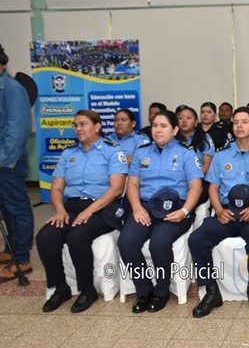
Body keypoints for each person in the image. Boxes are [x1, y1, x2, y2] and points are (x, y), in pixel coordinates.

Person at [189, 107, 249, 317]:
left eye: (244, 122)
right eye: (236, 122)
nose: (239, 126)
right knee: (196, 239)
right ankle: (211, 291)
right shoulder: (222, 155)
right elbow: (213, 187)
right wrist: (218, 210)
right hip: (226, 213)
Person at [36, 110, 128, 312]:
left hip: (102, 208)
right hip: (72, 207)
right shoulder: (69, 154)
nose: (78, 128)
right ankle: (60, 287)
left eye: (83, 124)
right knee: (45, 236)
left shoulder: (112, 151)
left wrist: (89, 211)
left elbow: (116, 188)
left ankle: (87, 290)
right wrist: (60, 210)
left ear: (97, 126)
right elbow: (56, 189)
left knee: (77, 236)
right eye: (75, 125)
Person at [118, 110, 203, 313]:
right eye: (155, 126)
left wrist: (184, 211)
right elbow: (132, 184)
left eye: (163, 126)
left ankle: (161, 292)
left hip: (176, 207)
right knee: (126, 241)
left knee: (158, 243)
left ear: (174, 130)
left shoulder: (186, 153)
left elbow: (196, 187)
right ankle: (144, 290)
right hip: (146, 207)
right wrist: (137, 208)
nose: (158, 130)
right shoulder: (142, 152)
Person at [0, 44, 34, 282]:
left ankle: (22, 258)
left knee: (18, 208)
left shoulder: (12, 88)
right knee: (6, 209)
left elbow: (18, 129)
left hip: (8, 162)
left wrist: (3, 159)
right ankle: (9, 250)